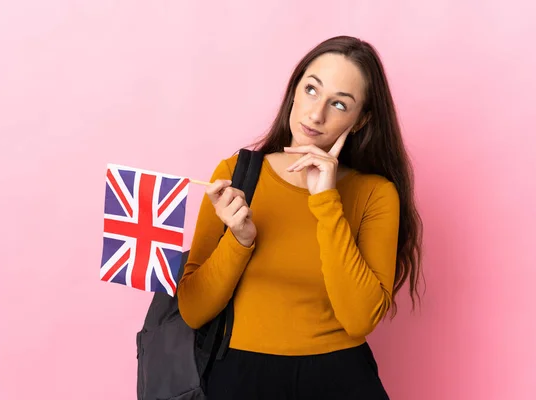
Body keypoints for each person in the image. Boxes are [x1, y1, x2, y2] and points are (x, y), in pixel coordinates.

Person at [177, 35, 423, 400]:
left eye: (339, 104)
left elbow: (359, 319)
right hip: (240, 378)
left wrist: (326, 201)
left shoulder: (375, 194)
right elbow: (193, 311)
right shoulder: (235, 174)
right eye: (311, 89)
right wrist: (240, 239)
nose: (315, 114)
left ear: (360, 121)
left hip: (339, 377)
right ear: (294, 90)